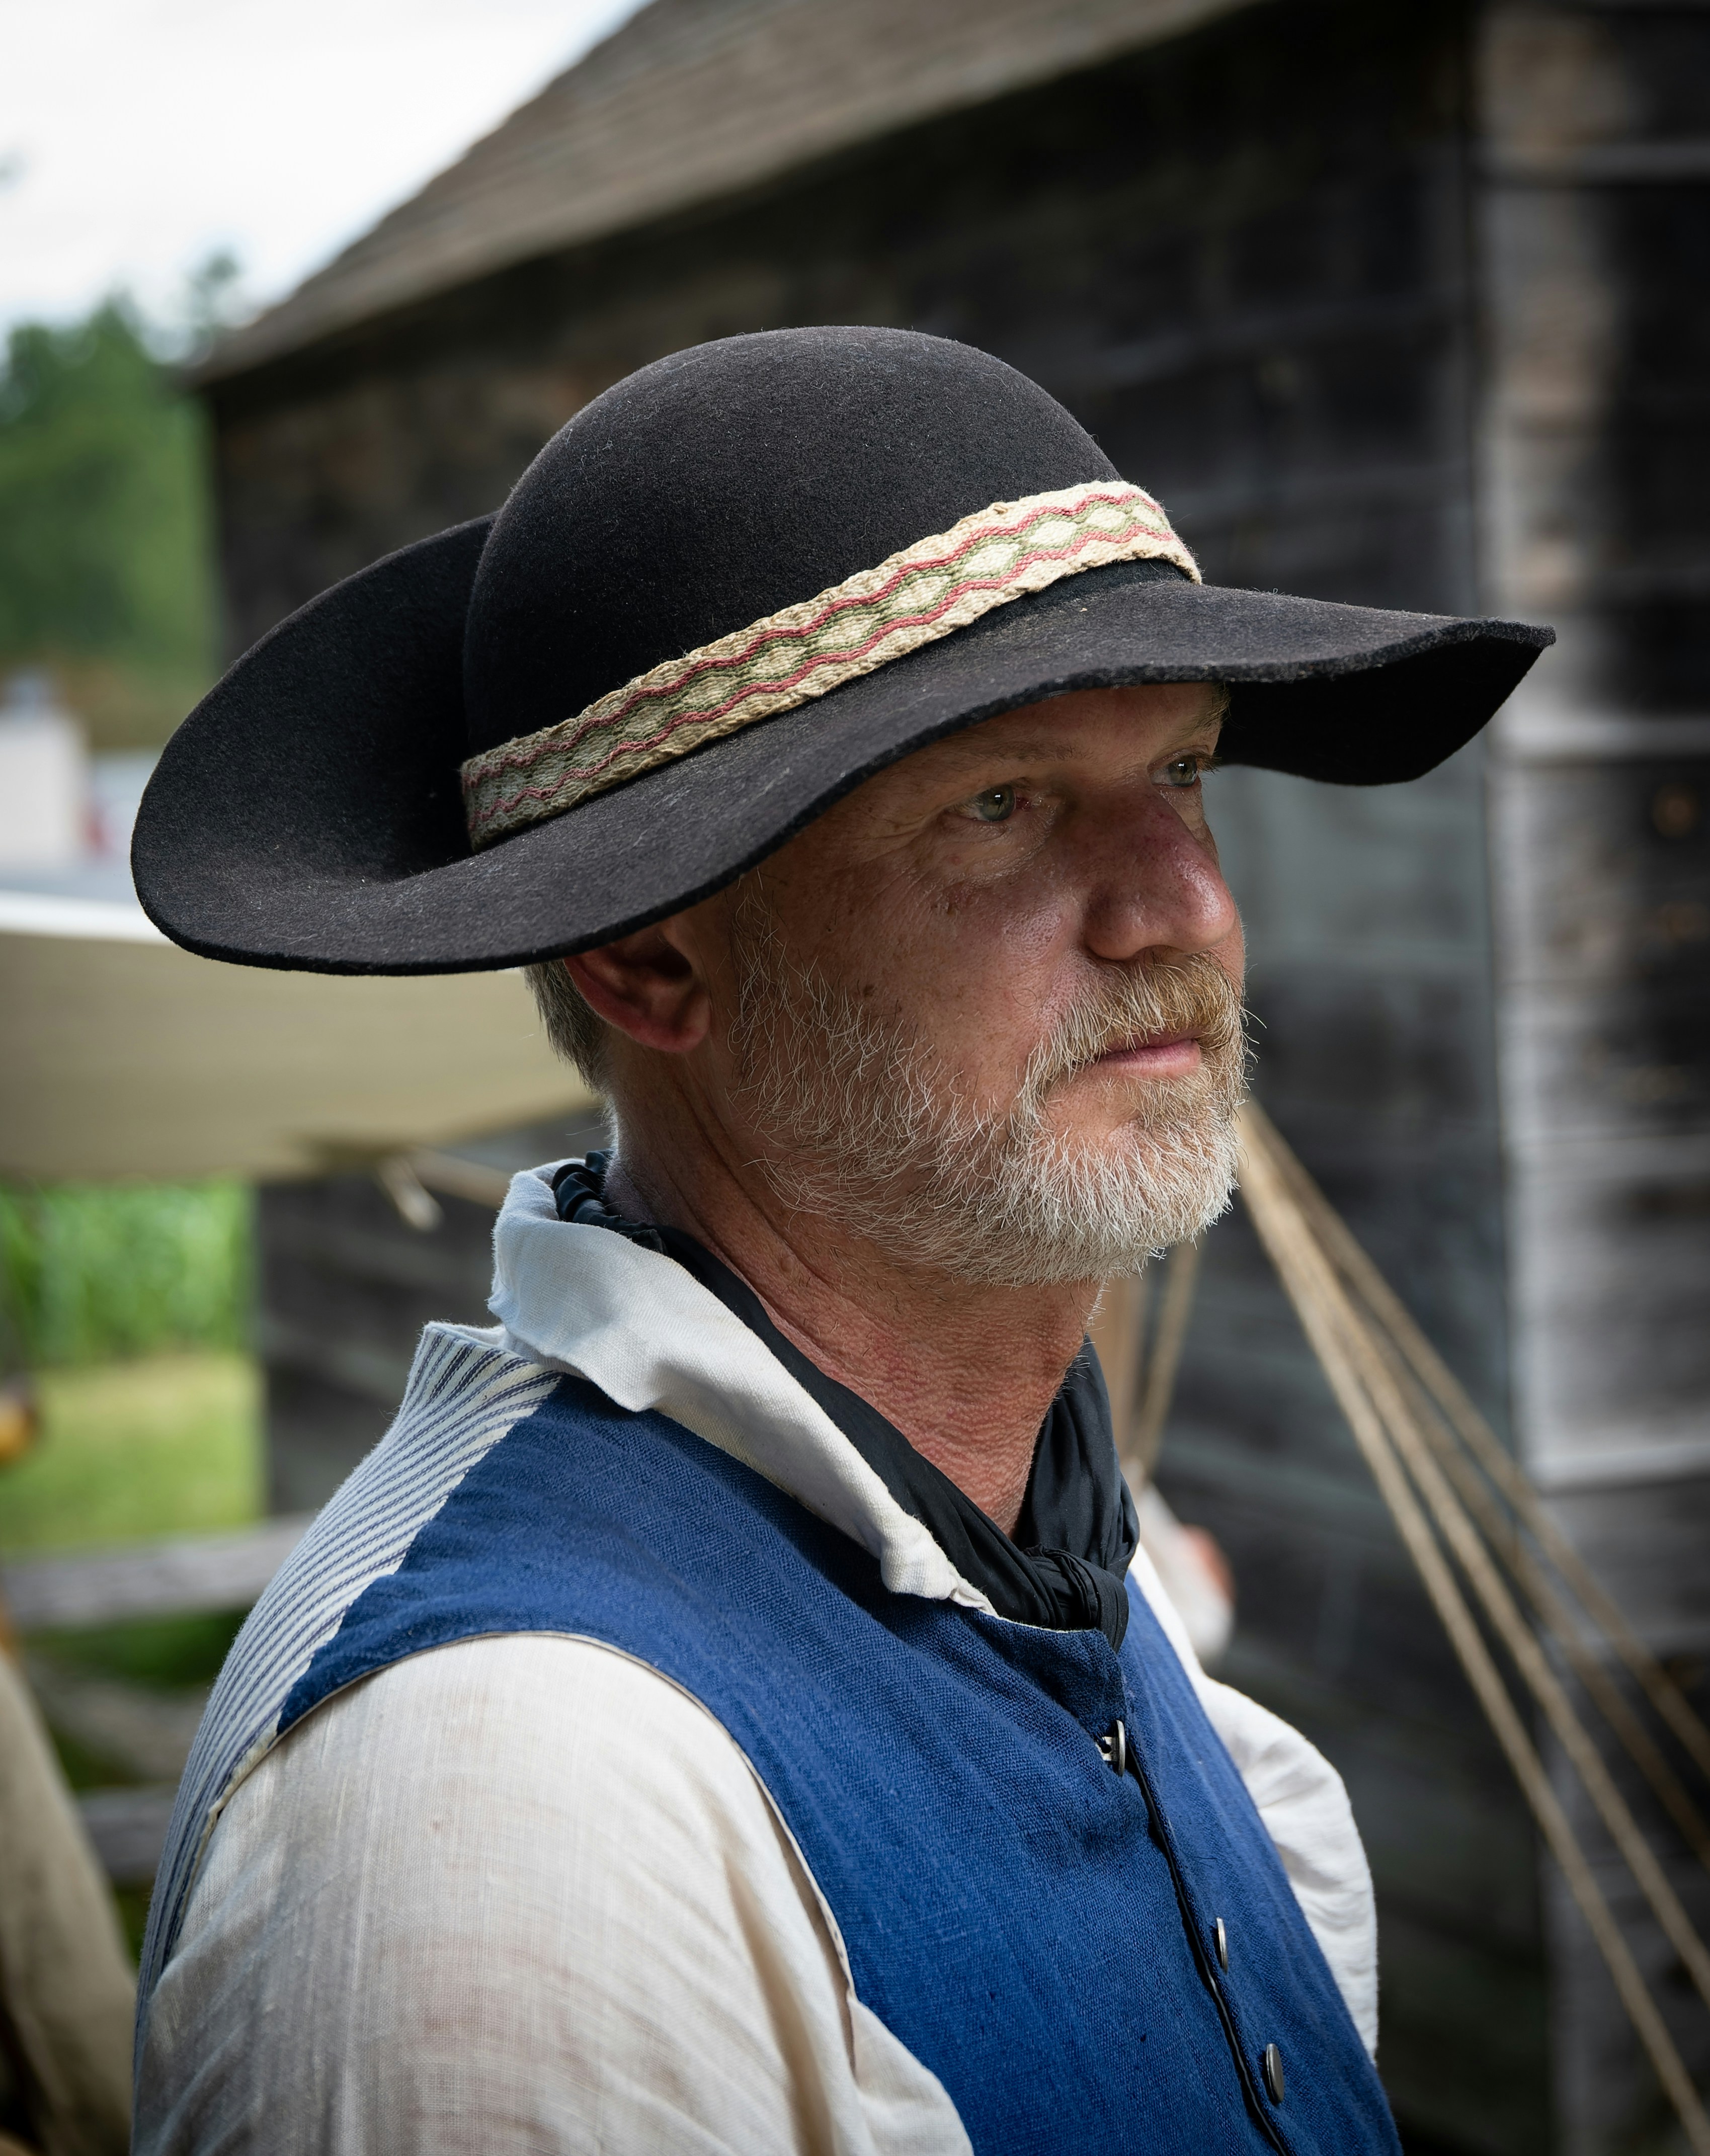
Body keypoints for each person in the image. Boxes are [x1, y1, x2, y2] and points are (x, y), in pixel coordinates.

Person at [129, 326, 1550, 2154]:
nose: (1180, 905)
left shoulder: (1039, 1560)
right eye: (1001, 805)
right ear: (649, 955)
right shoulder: (506, 1806)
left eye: (1183, 774)